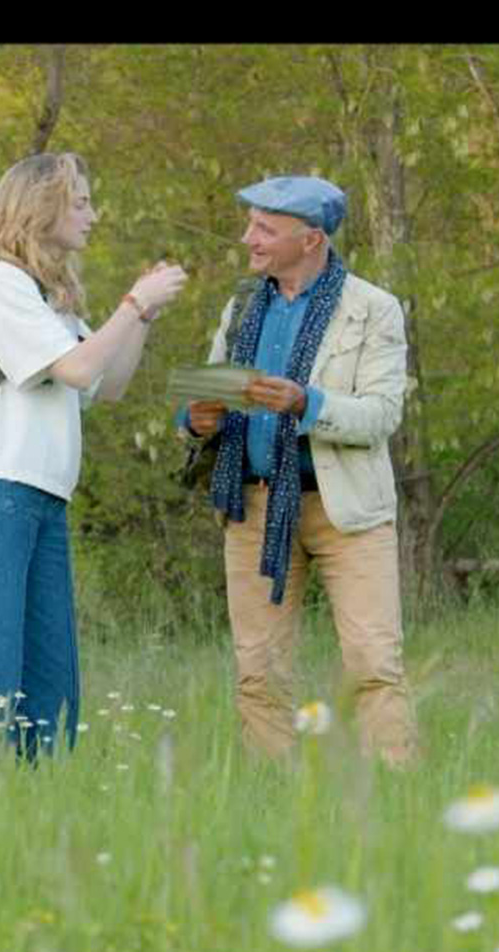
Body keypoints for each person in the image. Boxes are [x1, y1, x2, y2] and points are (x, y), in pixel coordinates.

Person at [0, 151, 187, 762]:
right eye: (81, 202)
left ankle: (34, 806)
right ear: (40, 207)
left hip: (43, 499)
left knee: (49, 680)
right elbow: (74, 368)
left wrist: (141, 312)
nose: (93, 216)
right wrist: (130, 306)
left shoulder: (52, 297)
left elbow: (107, 383)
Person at [181, 175, 418, 769]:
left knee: (372, 664)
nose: (249, 239)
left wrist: (305, 403)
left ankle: (394, 788)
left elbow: (382, 414)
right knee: (258, 669)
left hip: (348, 513)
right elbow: (207, 395)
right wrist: (196, 418)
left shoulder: (373, 308)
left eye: (265, 228)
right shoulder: (241, 305)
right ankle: (273, 796)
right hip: (254, 506)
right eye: (251, 225)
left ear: (310, 239)